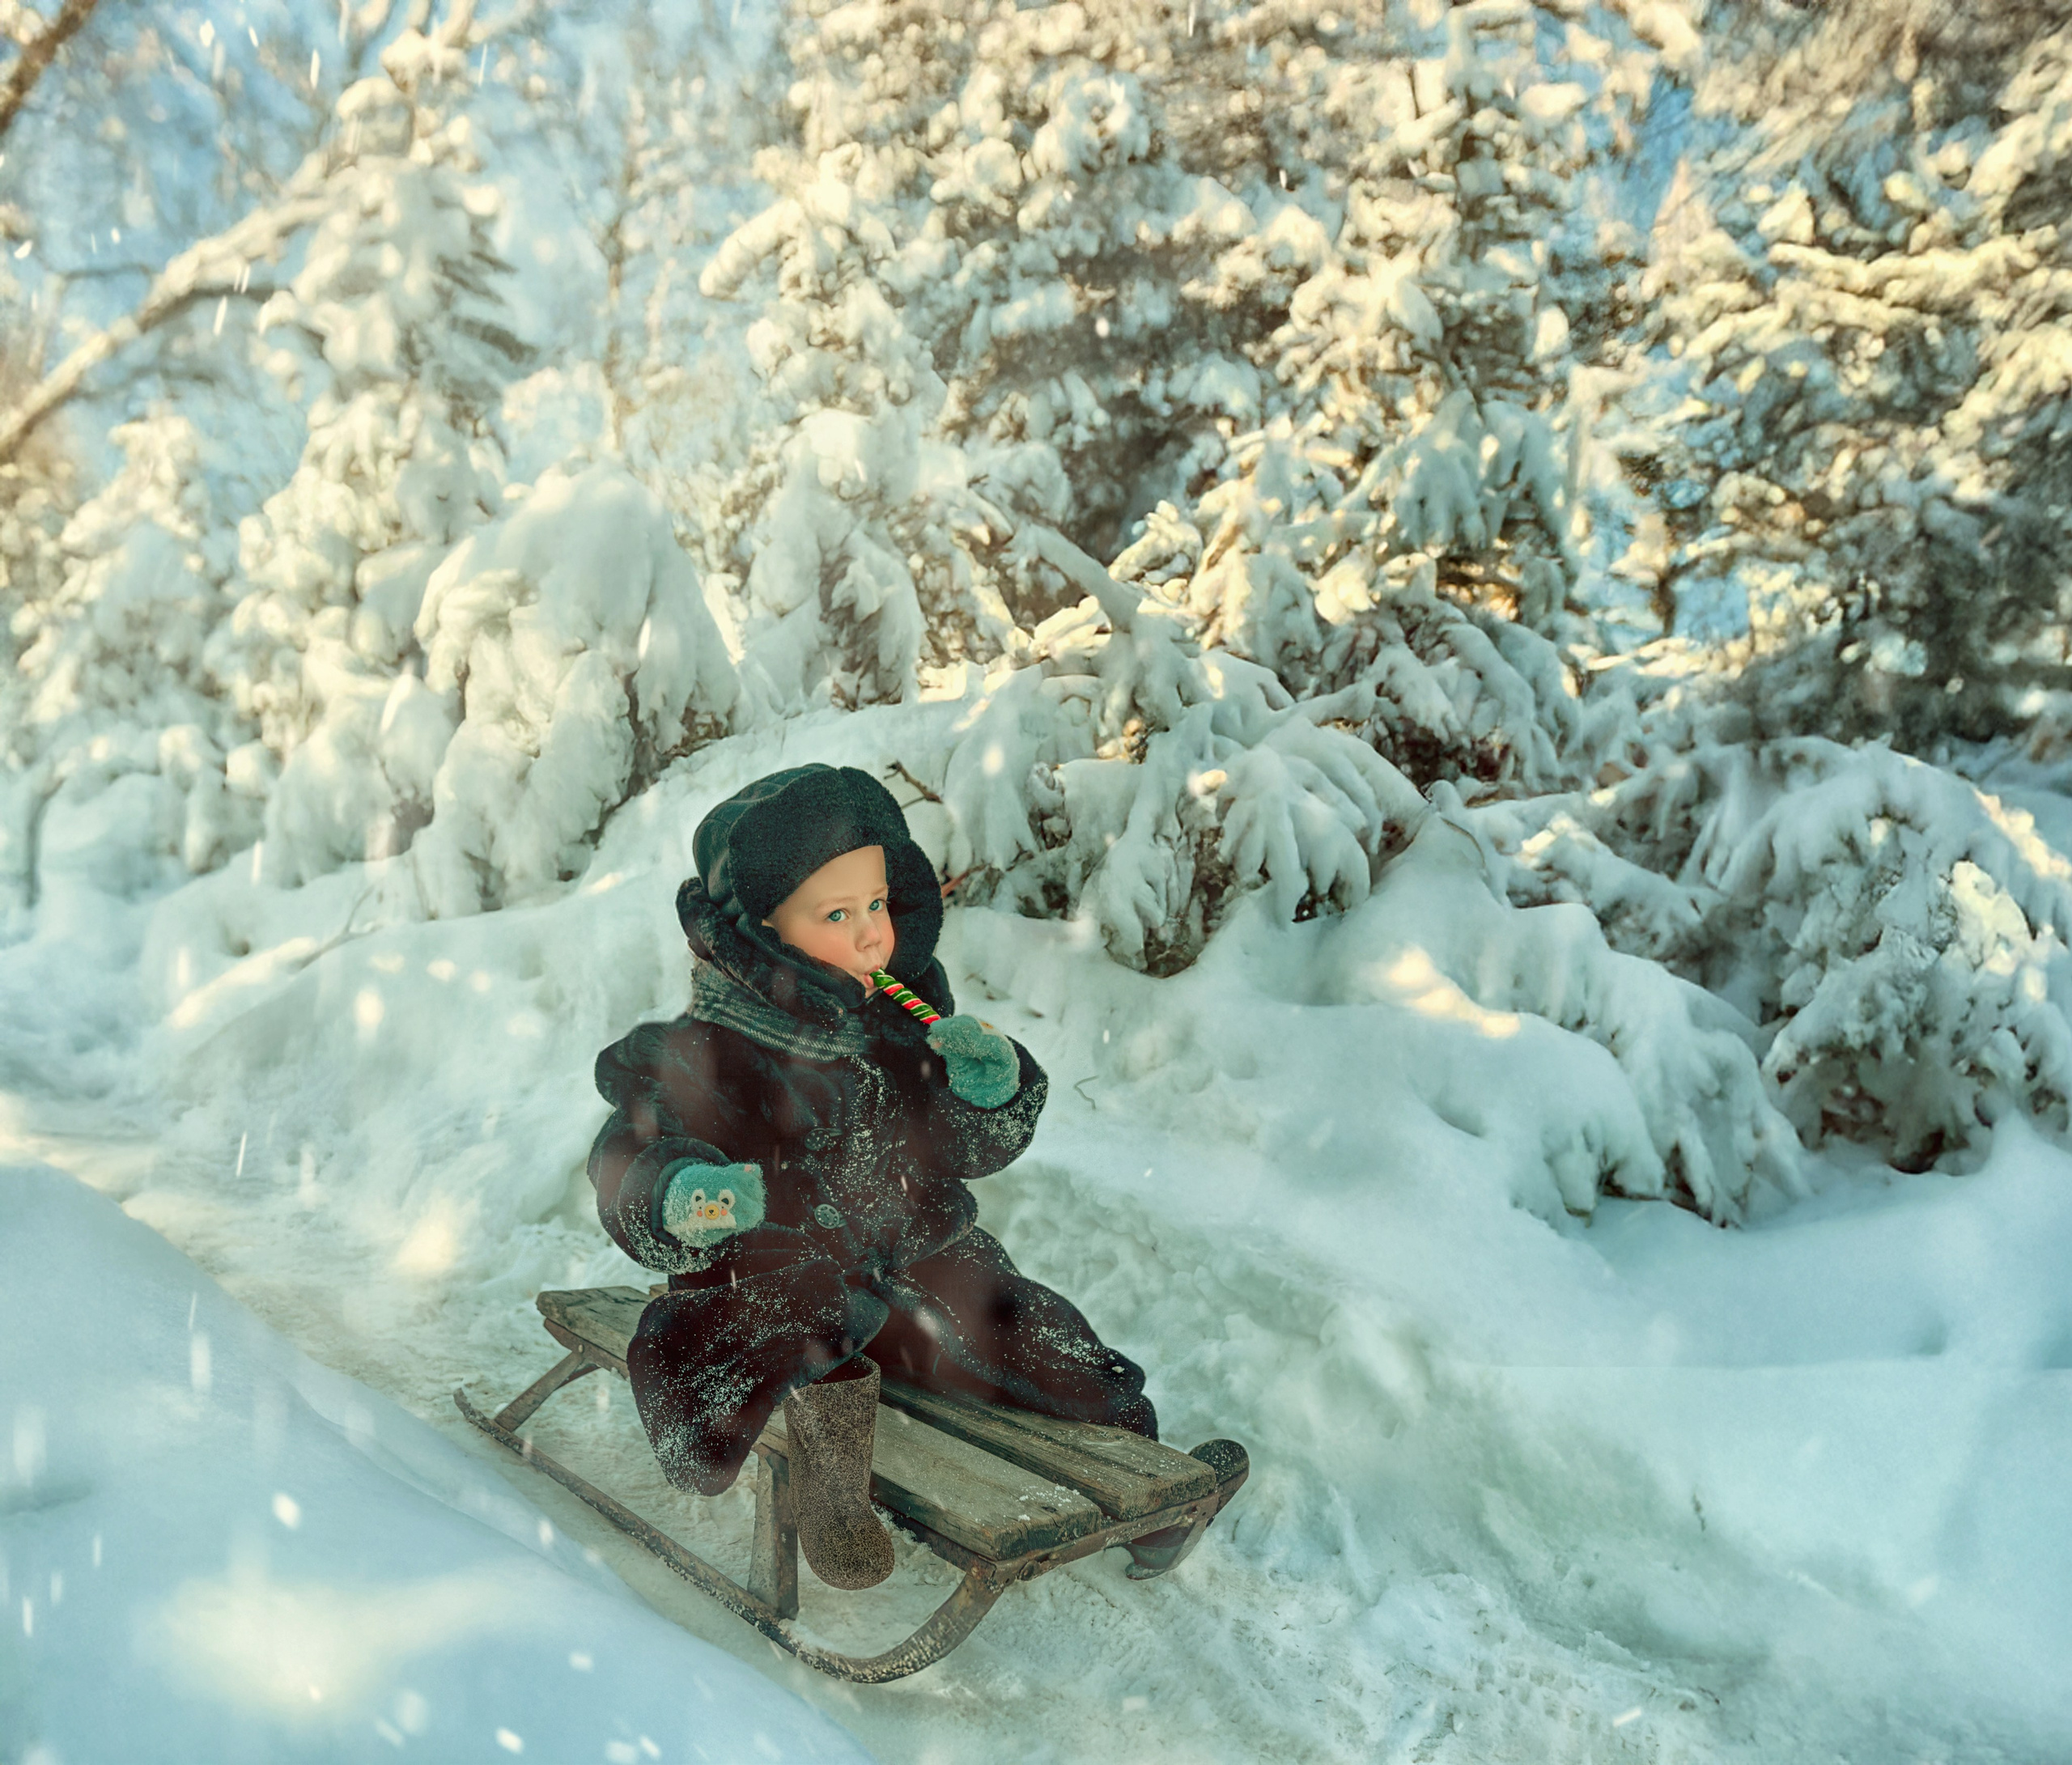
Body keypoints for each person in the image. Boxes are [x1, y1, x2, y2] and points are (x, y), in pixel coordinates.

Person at [585, 762, 1176, 1590]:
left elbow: (961, 1149)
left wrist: (988, 1094)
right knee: (805, 1327)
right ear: (761, 931)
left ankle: (1135, 1466)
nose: (870, 934)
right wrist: (680, 1192)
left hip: (908, 1263)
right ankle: (829, 1496)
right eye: (836, 913)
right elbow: (627, 1161)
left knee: (1018, 1327)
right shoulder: (701, 1054)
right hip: (765, 1284)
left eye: (876, 905)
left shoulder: (899, 1021)